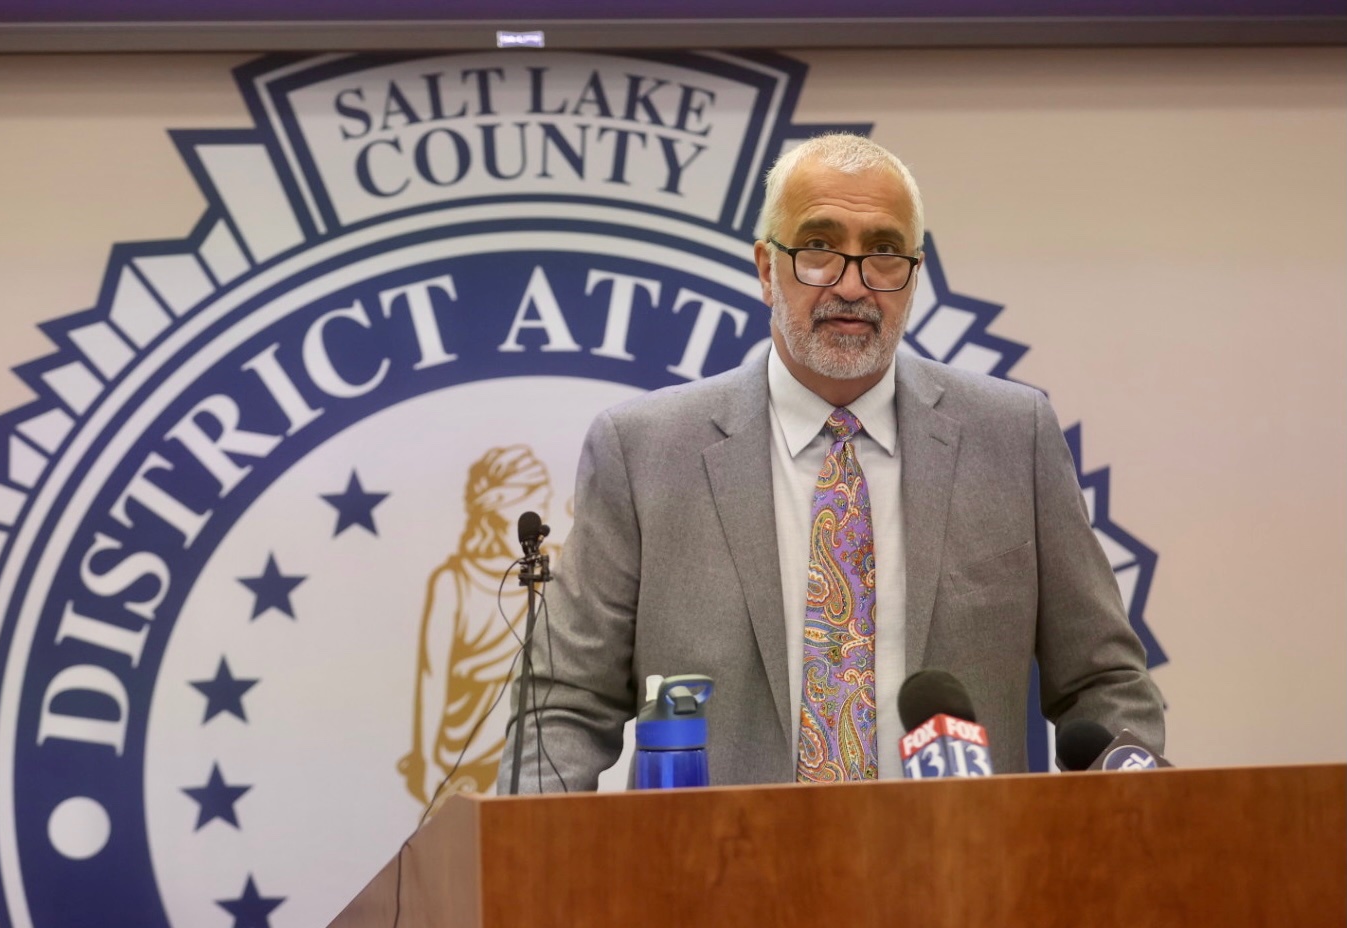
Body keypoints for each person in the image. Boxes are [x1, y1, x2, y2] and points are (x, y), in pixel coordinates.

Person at [501, 132, 1163, 790]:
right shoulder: (644, 450)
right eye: (818, 249)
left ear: (913, 273)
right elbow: (562, 707)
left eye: (882, 254)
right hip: (715, 881)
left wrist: (1121, 823)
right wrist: (537, 866)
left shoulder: (1012, 437)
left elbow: (1102, 681)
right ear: (766, 268)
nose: (852, 285)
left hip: (963, 879)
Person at [400, 445, 552, 809]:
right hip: (463, 746)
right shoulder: (452, 582)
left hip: (533, 739)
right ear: (496, 507)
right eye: (535, 505)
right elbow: (432, 677)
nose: (545, 519)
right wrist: (428, 761)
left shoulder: (555, 568)